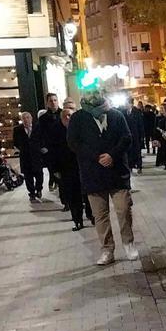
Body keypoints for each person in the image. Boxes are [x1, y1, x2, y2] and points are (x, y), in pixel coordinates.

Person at [67, 91, 137, 265]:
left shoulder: (115, 115)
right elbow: (73, 142)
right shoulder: (78, 117)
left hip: (117, 172)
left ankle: (128, 243)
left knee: (123, 209)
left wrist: (112, 155)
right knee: (100, 215)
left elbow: (126, 137)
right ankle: (107, 249)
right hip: (93, 173)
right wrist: (96, 156)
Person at [53, 105, 92, 231]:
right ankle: (77, 220)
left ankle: (91, 215)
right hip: (66, 169)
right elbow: (53, 152)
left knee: (87, 193)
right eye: (65, 116)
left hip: (82, 166)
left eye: (70, 115)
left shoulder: (80, 129)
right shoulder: (57, 131)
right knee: (73, 196)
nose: (68, 118)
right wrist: (55, 169)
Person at [37, 93, 66, 197]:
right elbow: (40, 134)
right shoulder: (43, 118)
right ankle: (65, 200)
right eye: (51, 101)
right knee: (57, 175)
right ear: (47, 103)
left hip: (65, 149)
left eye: (55, 100)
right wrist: (43, 147)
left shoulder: (64, 114)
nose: (53, 103)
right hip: (51, 151)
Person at [13, 111, 43, 203]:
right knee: (28, 176)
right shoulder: (17, 130)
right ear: (21, 120)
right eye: (24, 118)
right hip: (25, 156)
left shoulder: (37, 127)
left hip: (36, 155)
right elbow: (16, 142)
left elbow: (41, 139)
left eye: (28, 117)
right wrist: (22, 149)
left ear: (31, 118)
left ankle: (38, 189)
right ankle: (32, 193)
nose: (26, 120)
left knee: (39, 175)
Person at [124, 103, 144, 174]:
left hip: (136, 135)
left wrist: (141, 136)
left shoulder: (137, 112)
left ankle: (139, 166)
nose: (125, 105)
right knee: (129, 151)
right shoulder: (124, 112)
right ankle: (130, 166)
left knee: (137, 151)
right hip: (128, 135)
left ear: (131, 104)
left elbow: (141, 124)